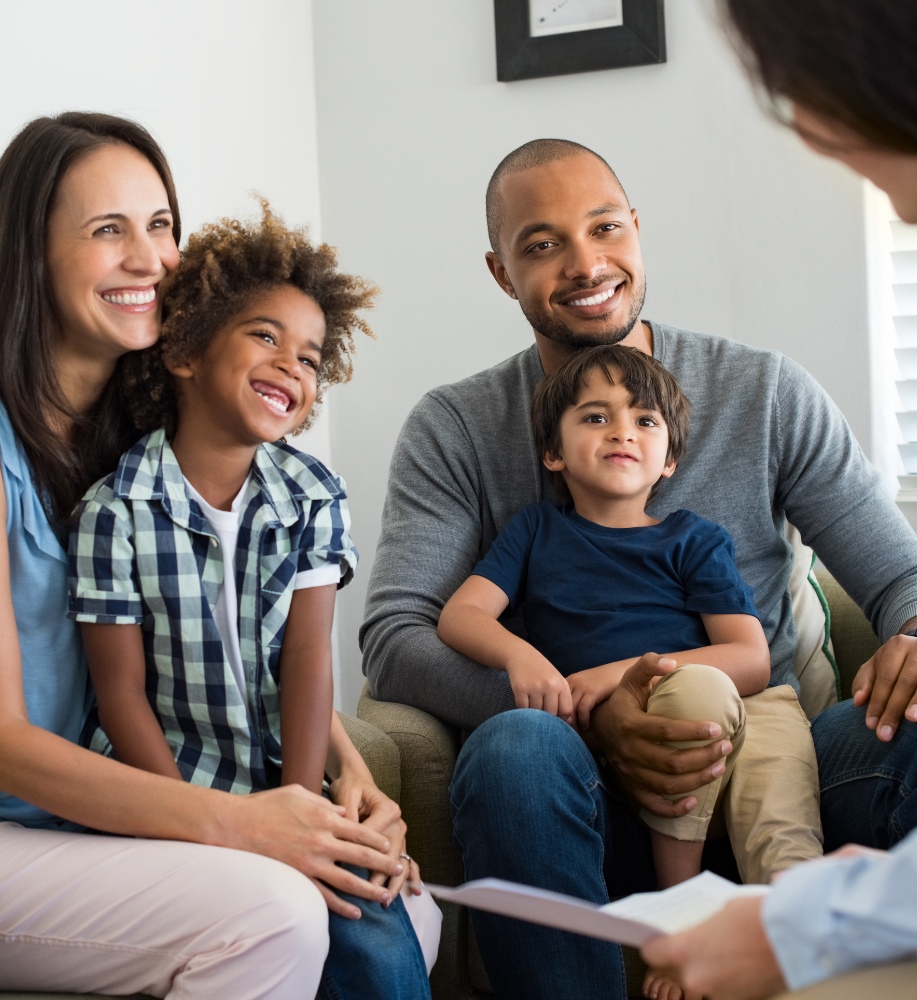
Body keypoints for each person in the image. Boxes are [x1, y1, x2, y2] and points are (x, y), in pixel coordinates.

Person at [361, 134, 917, 999]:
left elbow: (898, 580)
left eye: (605, 228)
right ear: (502, 272)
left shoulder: (764, 392)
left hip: (772, 759)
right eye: (542, 245)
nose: (587, 265)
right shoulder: (457, 428)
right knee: (516, 750)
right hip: (573, 793)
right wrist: (590, 713)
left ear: (636, 231)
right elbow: (397, 637)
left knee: (907, 722)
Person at [0, 112, 417, 999]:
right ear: (31, 254)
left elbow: (237, 637)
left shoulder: (141, 436)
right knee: (275, 912)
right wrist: (241, 825)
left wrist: (348, 775)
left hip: (81, 815)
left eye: (160, 226)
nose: (149, 258)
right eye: (108, 230)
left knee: (399, 910)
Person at [67, 209, 440, 995]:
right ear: (184, 350)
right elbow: (120, 694)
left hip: (283, 782)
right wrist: (189, 823)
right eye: (265, 337)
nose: (290, 366)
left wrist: (303, 812)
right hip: (159, 789)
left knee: (370, 913)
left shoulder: (312, 497)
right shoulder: (115, 509)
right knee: (336, 918)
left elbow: (307, 662)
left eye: (309, 356)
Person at [635, 2, 917, 997]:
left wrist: (816, 918)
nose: (796, 124)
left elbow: (891, 575)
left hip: (769, 712)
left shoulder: (757, 396)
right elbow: (419, 630)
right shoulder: (490, 462)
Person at [438, 344, 822, 1000]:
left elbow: (749, 657)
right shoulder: (534, 531)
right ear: (552, 453)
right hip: (606, 773)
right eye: (595, 417)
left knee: (720, 726)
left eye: (645, 421)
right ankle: (681, 925)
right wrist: (521, 656)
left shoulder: (692, 538)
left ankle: (759, 943)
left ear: (669, 459)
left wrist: (616, 674)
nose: (622, 430)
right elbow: (461, 616)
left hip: (721, 720)